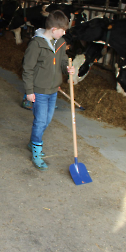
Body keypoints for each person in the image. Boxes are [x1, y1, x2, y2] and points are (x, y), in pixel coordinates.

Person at [22, 10, 74, 171]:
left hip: (53, 90)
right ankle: (36, 152)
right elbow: (27, 68)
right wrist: (29, 91)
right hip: (39, 91)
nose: (64, 33)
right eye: (62, 30)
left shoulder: (60, 42)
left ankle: (32, 143)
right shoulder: (36, 44)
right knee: (40, 121)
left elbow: (63, 60)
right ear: (53, 29)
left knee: (47, 120)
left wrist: (67, 68)